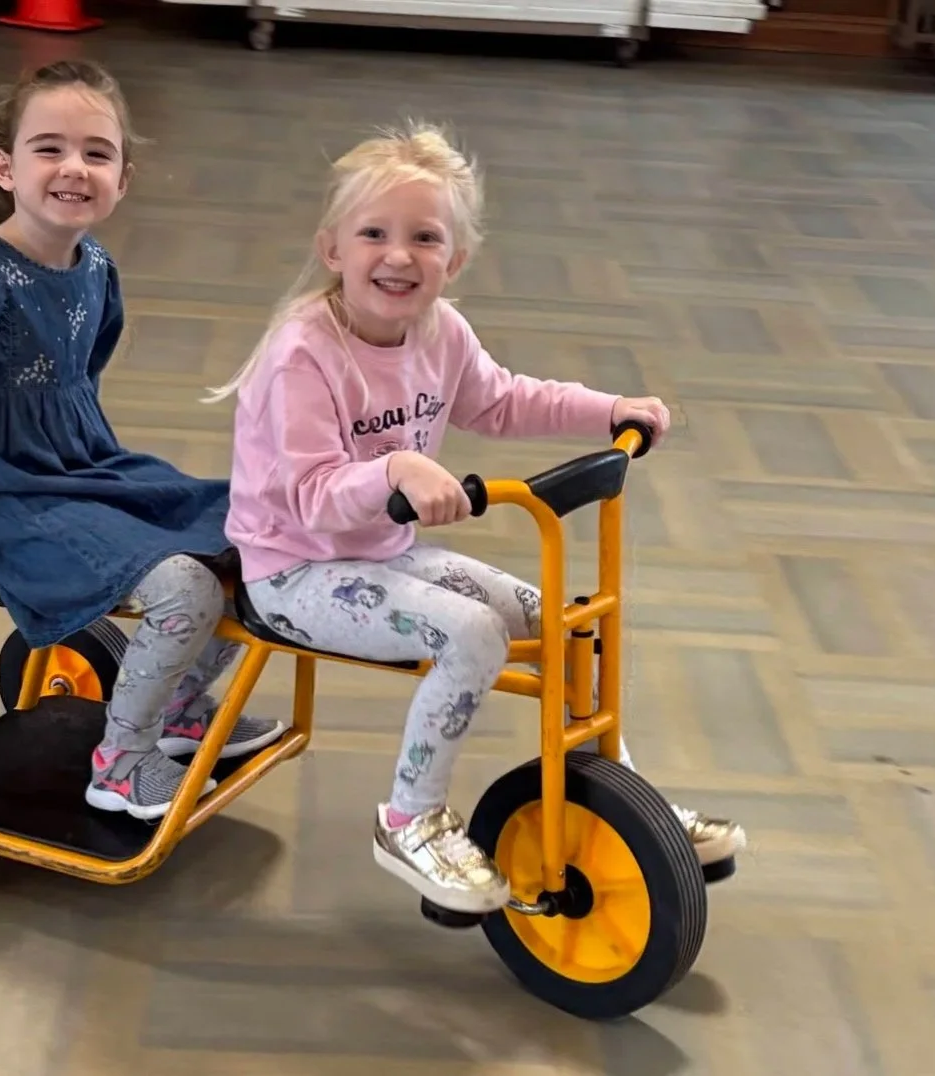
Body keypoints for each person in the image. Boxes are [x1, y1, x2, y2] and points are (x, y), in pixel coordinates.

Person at [207, 122, 745, 914]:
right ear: (333, 249)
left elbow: (500, 399)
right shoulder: (303, 354)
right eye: (374, 234)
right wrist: (396, 467)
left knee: (561, 625)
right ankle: (409, 816)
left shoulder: (439, 331)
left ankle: (620, 801)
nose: (399, 257)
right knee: (471, 633)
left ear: (453, 260)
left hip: (383, 555)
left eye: (425, 238)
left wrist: (610, 411)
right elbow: (313, 497)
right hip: (295, 570)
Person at [0, 60, 285, 822]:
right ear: (6, 166)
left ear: (125, 176)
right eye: (49, 148)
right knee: (184, 588)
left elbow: (79, 374)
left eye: (97, 152)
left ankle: (175, 710)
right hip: (3, 500)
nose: (73, 168)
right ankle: (121, 763)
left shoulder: (94, 268)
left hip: (82, 472)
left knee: (258, 534)